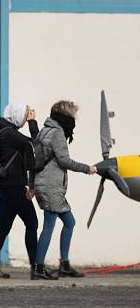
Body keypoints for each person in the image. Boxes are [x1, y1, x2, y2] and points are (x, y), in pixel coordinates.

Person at [32, 100, 96, 279]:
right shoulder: (58, 132)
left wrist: (31, 185)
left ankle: (64, 265)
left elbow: (34, 160)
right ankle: (38, 268)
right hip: (52, 186)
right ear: (66, 117)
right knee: (49, 226)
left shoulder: (45, 130)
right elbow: (64, 160)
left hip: (43, 184)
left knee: (69, 222)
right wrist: (86, 168)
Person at [0, 103, 40, 279]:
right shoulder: (11, 134)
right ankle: (35, 268)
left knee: (3, 227)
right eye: (24, 114)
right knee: (32, 223)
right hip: (15, 188)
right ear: (17, 115)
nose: (25, 117)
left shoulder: (2, 132)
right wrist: (33, 122)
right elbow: (35, 144)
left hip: (2, 188)